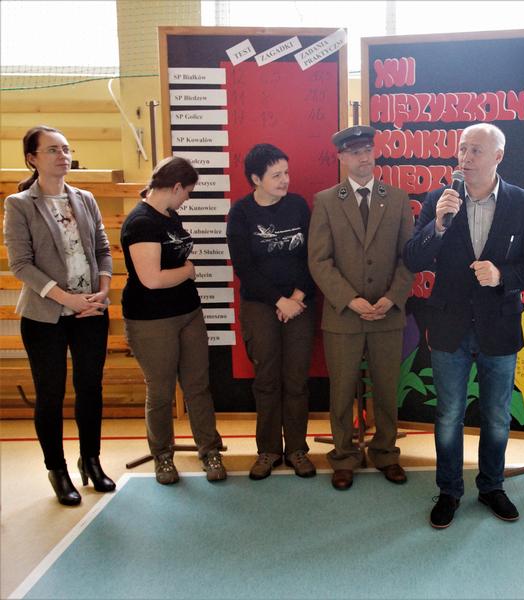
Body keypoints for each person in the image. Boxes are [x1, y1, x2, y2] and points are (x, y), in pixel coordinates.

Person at [403, 123, 524, 529]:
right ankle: (449, 490)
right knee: (449, 414)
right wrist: (437, 225)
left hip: (499, 328)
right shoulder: (439, 200)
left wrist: (502, 275)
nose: (465, 158)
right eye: (462, 149)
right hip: (449, 326)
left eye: (476, 151)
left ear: (498, 157)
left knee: (498, 416)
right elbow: (413, 259)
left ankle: (491, 486)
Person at [3, 125, 115, 505]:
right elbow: (21, 264)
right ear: (32, 158)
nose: (62, 156)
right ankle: (58, 469)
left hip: (91, 311)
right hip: (45, 317)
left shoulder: (85, 198)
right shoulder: (19, 204)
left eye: (66, 149)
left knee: (90, 389)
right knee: (50, 394)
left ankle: (91, 461)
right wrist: (66, 298)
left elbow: (102, 249)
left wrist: (103, 289)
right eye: (52, 150)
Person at [309, 126, 414, 491]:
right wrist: (349, 299)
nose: (364, 157)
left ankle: (385, 453)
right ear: (341, 157)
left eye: (368, 149)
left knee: (386, 390)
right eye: (355, 152)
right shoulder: (326, 201)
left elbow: (409, 257)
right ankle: (344, 456)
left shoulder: (397, 199)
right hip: (344, 316)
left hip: (388, 314)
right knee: (341, 392)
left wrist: (393, 297)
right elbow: (319, 260)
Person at [121, 157, 226, 484]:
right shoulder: (141, 222)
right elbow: (152, 279)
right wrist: (188, 270)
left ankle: (209, 449)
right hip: (152, 319)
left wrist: (182, 272)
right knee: (161, 391)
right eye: (188, 192)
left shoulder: (169, 214)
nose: (187, 199)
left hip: (187, 312)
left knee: (198, 386)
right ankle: (163, 456)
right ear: (176, 187)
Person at [227, 144, 317, 480]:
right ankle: (268, 450)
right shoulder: (241, 213)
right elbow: (244, 268)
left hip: (300, 302)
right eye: (276, 175)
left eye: (286, 173)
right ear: (256, 178)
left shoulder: (298, 206)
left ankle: (296, 449)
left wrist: (297, 296)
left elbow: (314, 255)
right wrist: (280, 301)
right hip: (260, 304)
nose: (285, 180)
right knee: (266, 380)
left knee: (296, 380)